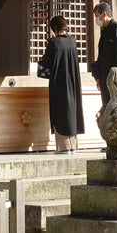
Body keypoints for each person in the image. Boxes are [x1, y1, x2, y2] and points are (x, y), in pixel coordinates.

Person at [37, 14, 84, 153]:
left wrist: (41, 68)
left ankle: (63, 148)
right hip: (73, 82)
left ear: (54, 28)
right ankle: (73, 146)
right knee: (72, 111)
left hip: (59, 82)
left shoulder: (54, 43)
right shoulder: (73, 41)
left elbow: (46, 63)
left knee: (60, 111)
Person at [91, 1, 117, 107]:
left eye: (97, 16)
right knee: (106, 106)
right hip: (104, 78)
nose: (97, 20)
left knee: (116, 107)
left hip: (115, 78)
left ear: (104, 14)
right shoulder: (105, 31)